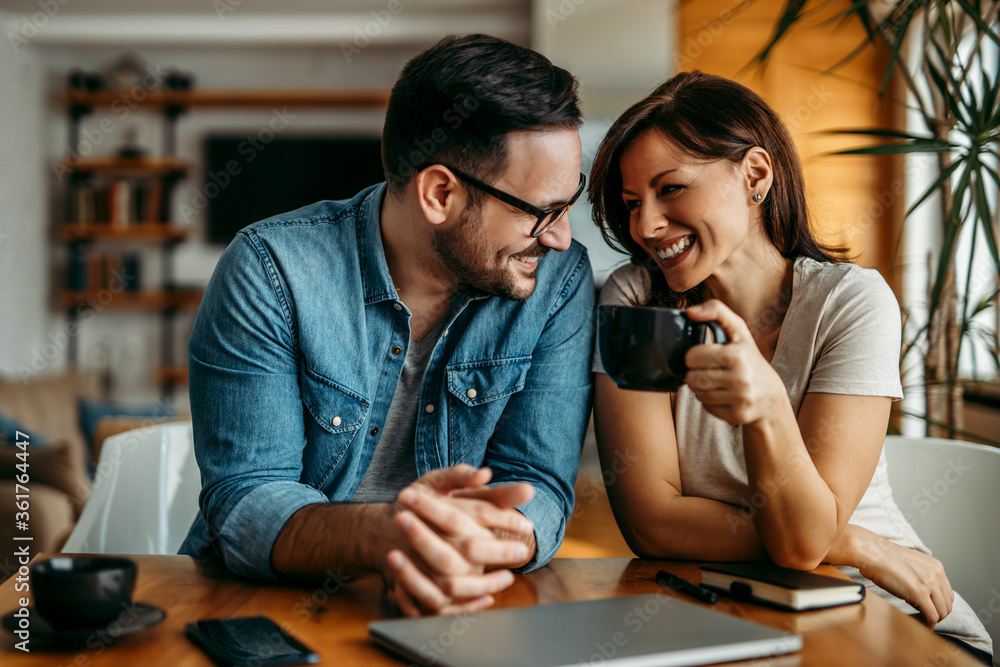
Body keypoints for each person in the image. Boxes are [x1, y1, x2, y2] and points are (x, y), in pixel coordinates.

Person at [179, 34, 595, 618]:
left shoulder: (557, 280)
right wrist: (387, 535)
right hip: (263, 609)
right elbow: (247, 500)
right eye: (541, 212)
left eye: (569, 203)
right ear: (440, 194)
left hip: (470, 603)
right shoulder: (271, 271)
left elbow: (537, 483)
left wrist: (459, 549)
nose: (561, 238)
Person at [588, 71, 992, 662]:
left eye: (670, 189)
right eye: (631, 204)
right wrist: (856, 543)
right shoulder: (636, 300)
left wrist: (768, 407)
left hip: (889, 614)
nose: (645, 226)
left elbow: (802, 542)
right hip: (732, 613)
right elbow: (652, 522)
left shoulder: (849, 302)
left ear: (755, 175)